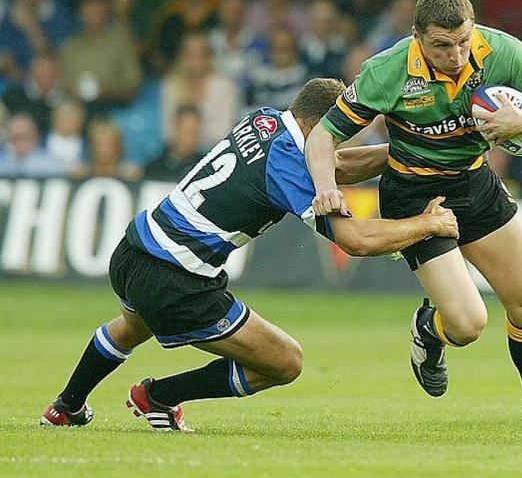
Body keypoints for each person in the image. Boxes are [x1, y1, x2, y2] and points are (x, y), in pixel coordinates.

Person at [40, 78, 458, 431]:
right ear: (326, 123)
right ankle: (158, 396)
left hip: (135, 248)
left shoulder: (265, 119)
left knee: (131, 327)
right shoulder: (291, 166)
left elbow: (335, 165)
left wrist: (401, 153)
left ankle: (66, 406)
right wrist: (429, 224)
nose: (344, 135)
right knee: (285, 362)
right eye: (342, 127)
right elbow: (357, 241)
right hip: (177, 277)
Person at [304, 0, 522, 439]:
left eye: (463, 42)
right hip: (415, 195)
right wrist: (325, 188)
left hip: (475, 183)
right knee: (468, 324)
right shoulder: (387, 70)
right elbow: (322, 136)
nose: (456, 56)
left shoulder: (502, 51)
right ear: (417, 35)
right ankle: (429, 328)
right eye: (442, 45)